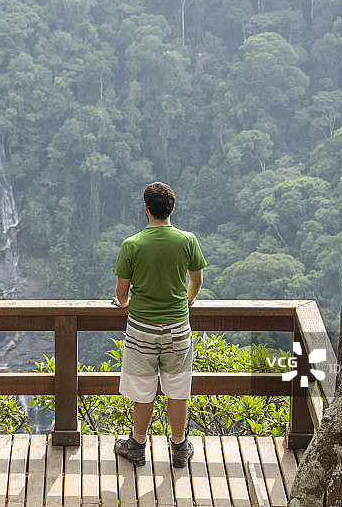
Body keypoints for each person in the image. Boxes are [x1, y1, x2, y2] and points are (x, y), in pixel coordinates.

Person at [111, 182, 205, 468]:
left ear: (146, 208)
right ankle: (179, 447)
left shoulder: (133, 244)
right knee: (177, 389)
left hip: (141, 328)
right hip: (177, 328)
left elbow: (121, 293)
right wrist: (185, 302)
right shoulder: (187, 240)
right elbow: (197, 282)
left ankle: (137, 445)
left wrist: (123, 304)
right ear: (172, 209)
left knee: (143, 389)